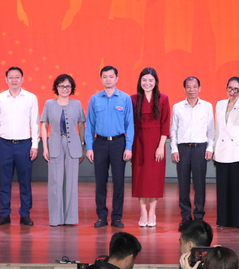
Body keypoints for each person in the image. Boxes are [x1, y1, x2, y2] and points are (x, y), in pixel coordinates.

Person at [86, 65, 134, 228]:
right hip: (99, 143)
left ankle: (117, 217)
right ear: (101, 79)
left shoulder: (125, 98)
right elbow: (90, 125)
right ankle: (101, 216)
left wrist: (128, 147)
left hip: (119, 143)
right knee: (100, 182)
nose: (108, 79)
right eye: (105, 77)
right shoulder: (94, 99)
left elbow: (130, 125)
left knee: (119, 182)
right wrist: (89, 147)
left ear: (117, 78)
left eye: (111, 76)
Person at [0, 66, 39, 226]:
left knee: (25, 182)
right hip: (4, 144)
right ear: (6, 79)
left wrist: (35, 145)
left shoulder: (31, 98)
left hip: (24, 144)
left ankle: (25, 214)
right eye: (11, 77)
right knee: (4, 182)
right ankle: (4, 214)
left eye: (17, 77)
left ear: (22, 79)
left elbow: (35, 123)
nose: (14, 80)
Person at [41, 73, 86, 226]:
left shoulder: (77, 104)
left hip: (73, 144)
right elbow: (44, 125)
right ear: (56, 87)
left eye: (68, 86)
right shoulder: (49, 104)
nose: (65, 89)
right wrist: (45, 147)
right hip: (54, 144)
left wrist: (82, 145)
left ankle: (70, 218)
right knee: (55, 182)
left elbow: (81, 125)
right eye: (61, 86)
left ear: (72, 88)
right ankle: (56, 219)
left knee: (71, 182)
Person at [171, 76, 215, 229]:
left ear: (199, 88)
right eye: (188, 87)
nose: (191, 90)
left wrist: (210, 148)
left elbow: (211, 130)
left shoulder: (207, 106)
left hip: (200, 148)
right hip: (183, 149)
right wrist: (174, 149)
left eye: (194, 86)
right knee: (183, 185)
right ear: (184, 89)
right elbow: (173, 130)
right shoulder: (177, 107)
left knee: (199, 185)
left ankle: (199, 217)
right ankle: (185, 217)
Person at [130, 67, 170, 227]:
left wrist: (161, 146)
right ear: (140, 82)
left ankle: (152, 212)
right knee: (140, 178)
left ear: (156, 82)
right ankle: (143, 212)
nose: (147, 83)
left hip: (156, 143)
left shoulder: (163, 98)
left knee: (154, 179)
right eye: (144, 80)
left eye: (151, 80)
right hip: (138, 142)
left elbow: (165, 124)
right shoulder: (133, 99)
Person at [213, 77, 239, 228]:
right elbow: (218, 128)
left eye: (236, 89)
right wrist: (215, 150)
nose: (232, 92)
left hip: (238, 151)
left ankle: (238, 220)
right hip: (222, 150)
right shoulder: (220, 104)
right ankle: (223, 220)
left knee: (238, 189)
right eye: (230, 88)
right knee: (223, 189)